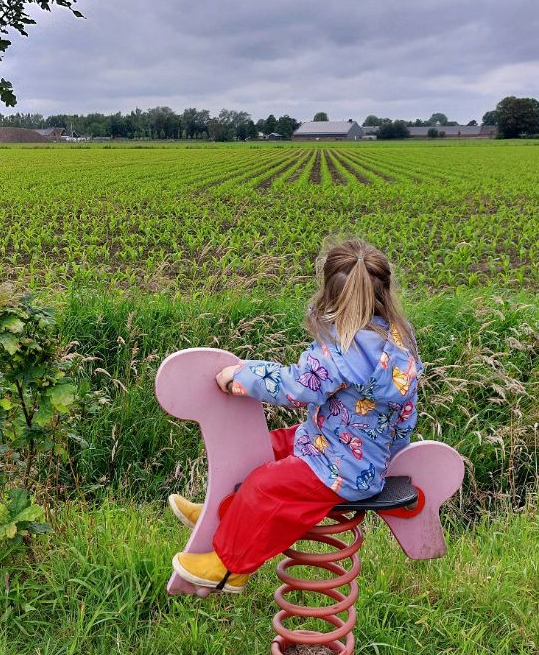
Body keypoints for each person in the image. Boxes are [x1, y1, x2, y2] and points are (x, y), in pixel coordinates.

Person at [171, 237, 420, 593]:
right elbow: (405, 415)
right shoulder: (400, 345)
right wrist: (393, 456)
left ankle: (228, 566)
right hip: (344, 449)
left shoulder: (339, 351)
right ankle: (225, 513)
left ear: (330, 293)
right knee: (263, 445)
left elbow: (294, 388)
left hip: (339, 470)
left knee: (265, 487)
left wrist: (241, 376)